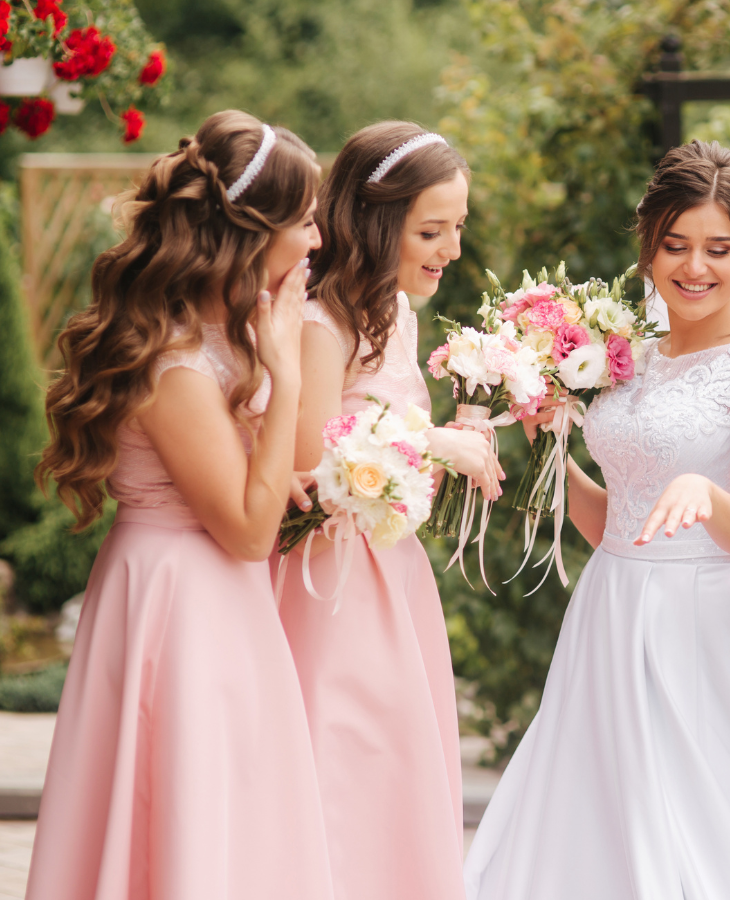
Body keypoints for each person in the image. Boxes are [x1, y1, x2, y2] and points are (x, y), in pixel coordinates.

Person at [463, 140, 730, 900]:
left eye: (718, 249)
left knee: (712, 831)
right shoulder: (625, 355)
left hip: (711, 625)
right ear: (649, 248)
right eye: (676, 245)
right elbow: (615, 523)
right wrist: (547, 444)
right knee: (609, 818)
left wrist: (706, 491)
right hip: (612, 607)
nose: (694, 267)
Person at [25, 110, 334, 900]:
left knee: (226, 810)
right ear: (250, 232)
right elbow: (244, 530)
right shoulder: (176, 366)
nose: (316, 242)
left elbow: (258, 479)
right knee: (184, 807)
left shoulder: (223, 336)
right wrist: (289, 374)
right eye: (305, 222)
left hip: (212, 598)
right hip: (180, 600)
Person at [274, 122, 500, 900]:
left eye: (458, 228)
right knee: (344, 755)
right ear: (376, 225)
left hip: (389, 571)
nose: (451, 250)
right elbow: (310, 460)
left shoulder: (395, 314)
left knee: (398, 761)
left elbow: (386, 433)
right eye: (431, 231)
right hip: (325, 579)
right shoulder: (320, 321)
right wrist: (437, 442)